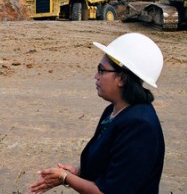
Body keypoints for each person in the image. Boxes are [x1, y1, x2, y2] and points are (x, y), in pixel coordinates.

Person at [29, 32, 165, 194]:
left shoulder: (140, 127)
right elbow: (108, 163)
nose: (96, 76)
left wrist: (65, 177)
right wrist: (77, 173)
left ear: (121, 78)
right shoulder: (114, 111)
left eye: (101, 70)